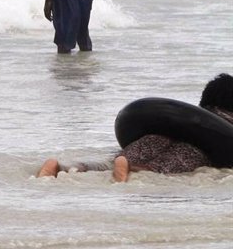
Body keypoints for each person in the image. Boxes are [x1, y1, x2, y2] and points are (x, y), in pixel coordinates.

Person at [37, 74, 233, 181]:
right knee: (158, 168)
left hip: (159, 134)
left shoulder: (189, 116)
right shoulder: (225, 124)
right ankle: (130, 169)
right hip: (199, 148)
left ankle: (62, 167)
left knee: (111, 162)